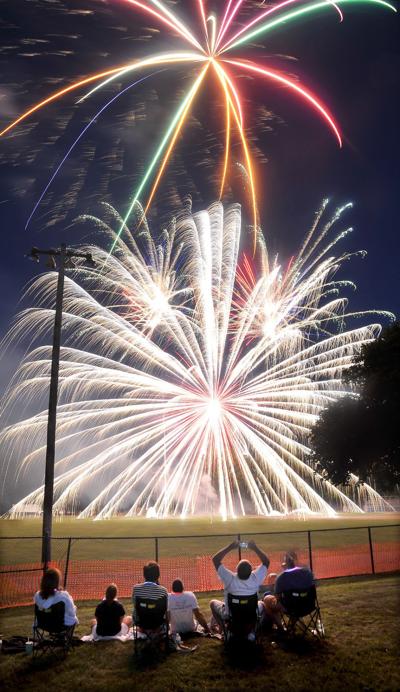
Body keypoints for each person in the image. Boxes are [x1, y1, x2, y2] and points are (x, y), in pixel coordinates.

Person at [210, 540, 270, 637]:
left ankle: (225, 631)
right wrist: (255, 548)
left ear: (236, 570)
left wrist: (230, 547)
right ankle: (252, 632)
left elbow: (215, 559)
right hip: (251, 616)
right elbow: (266, 562)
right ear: (251, 571)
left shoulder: (230, 578)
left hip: (231, 616)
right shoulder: (255, 578)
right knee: (262, 604)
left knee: (212, 603)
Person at [263, 550, 314, 629]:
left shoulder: (281, 577)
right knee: (295, 599)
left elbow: (277, 598)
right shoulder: (307, 573)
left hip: (291, 608)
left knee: (267, 599)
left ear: (285, 564)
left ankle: (280, 627)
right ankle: (292, 623)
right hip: (308, 606)